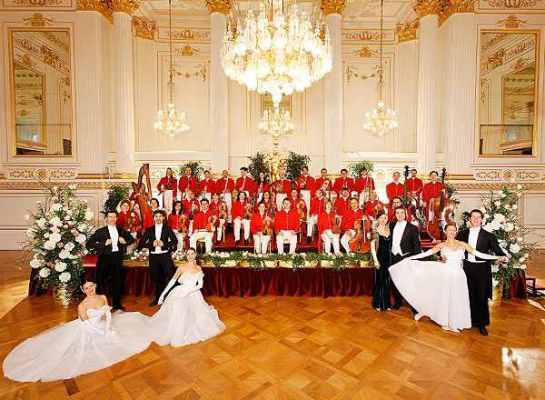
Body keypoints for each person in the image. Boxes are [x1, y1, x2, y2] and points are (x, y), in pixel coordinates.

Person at [2, 281, 150, 382]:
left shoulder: (103, 297)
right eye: (86, 288)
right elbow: (88, 326)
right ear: (83, 290)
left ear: (95, 286)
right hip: (88, 329)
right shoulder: (82, 306)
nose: (90, 290)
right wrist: (103, 333)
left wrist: (108, 327)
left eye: (91, 286)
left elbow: (107, 313)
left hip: (102, 325)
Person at [389, 222, 508, 333]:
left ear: (456, 232)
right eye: (449, 230)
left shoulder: (462, 244)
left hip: (459, 275)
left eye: (453, 230)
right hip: (445, 273)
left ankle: (453, 321)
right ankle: (443, 321)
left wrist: (497, 257)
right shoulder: (441, 245)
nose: (451, 232)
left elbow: (479, 254)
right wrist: (408, 258)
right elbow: (426, 254)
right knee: (444, 297)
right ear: (445, 232)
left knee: (455, 298)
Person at [149, 248, 225, 347]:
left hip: (194, 293)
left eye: (192, 254)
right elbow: (172, 281)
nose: (190, 256)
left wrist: (190, 291)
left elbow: (200, 285)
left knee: (196, 314)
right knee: (179, 313)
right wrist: (163, 294)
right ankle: (176, 331)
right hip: (180, 292)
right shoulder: (181, 267)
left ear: (195, 255)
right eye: (188, 254)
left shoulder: (198, 268)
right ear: (186, 255)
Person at [457, 209, 510, 336]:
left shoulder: (488, 236)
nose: (476, 219)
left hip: (482, 269)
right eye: (473, 217)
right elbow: (454, 247)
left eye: (478, 217)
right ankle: (468, 320)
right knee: (467, 295)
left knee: (481, 296)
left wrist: (504, 257)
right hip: (466, 267)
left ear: (482, 219)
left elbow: (497, 250)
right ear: (470, 219)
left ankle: (481, 324)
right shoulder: (462, 234)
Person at [86, 211, 135, 311]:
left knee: (117, 281)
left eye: (114, 217)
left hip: (117, 258)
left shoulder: (121, 230)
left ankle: (117, 305)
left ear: (116, 218)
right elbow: (89, 244)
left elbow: (131, 239)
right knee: (100, 281)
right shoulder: (100, 231)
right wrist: (103, 243)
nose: (112, 219)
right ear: (106, 219)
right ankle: (101, 305)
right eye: (110, 217)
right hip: (104, 258)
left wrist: (124, 241)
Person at [139, 210, 178, 306]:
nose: (158, 218)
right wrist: (151, 244)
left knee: (169, 277)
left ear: (163, 218)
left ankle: (170, 299)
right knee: (156, 278)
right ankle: (158, 299)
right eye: (156, 216)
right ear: (153, 218)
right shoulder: (149, 229)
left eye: (160, 216)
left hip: (165, 256)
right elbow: (141, 243)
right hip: (153, 256)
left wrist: (164, 244)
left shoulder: (167, 228)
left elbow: (174, 241)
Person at [389, 207, 421, 309]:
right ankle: (397, 301)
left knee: (408, 281)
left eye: (402, 213)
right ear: (395, 215)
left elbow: (417, 246)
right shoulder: (391, 226)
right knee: (395, 279)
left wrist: (416, 260)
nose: (400, 215)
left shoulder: (412, 228)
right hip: (393, 257)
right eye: (397, 213)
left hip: (406, 257)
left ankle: (412, 303)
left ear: (405, 214)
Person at [370, 212, 392, 311]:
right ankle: (378, 303)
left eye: (385, 218)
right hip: (379, 258)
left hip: (389, 258)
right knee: (380, 280)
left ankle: (387, 304)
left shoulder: (389, 229)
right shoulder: (375, 231)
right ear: (378, 219)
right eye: (382, 218)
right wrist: (375, 261)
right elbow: (372, 247)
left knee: (387, 280)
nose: (384, 220)